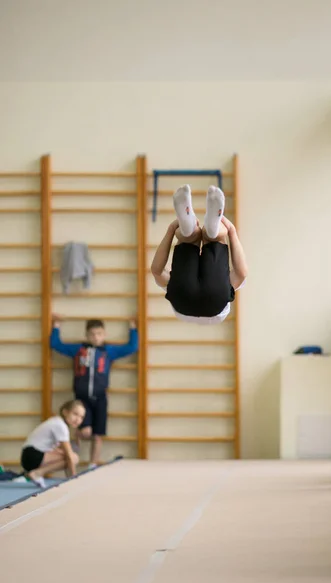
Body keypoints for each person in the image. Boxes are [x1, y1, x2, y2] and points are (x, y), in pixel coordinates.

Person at [151, 184, 247, 324]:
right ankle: (189, 228)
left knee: (215, 239)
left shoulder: (225, 288)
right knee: (188, 240)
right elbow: (156, 271)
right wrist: (171, 230)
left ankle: (211, 229)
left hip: (214, 298)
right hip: (184, 298)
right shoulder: (171, 286)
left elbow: (241, 273)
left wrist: (231, 231)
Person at [50, 316, 139, 467]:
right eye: (92, 334)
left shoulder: (108, 351)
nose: (96, 337)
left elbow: (131, 347)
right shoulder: (78, 350)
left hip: (100, 397)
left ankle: (93, 464)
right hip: (82, 399)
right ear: (86, 335)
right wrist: (56, 326)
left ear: (104, 335)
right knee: (86, 432)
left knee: (97, 435)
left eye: (99, 334)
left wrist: (132, 327)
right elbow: (56, 344)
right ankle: (77, 436)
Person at [20, 399, 85, 488]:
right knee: (74, 458)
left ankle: (31, 474)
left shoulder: (57, 421)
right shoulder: (60, 426)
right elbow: (69, 456)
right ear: (65, 412)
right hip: (32, 456)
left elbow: (64, 453)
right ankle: (37, 473)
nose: (78, 419)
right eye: (75, 414)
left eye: (81, 417)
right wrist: (74, 478)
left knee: (66, 454)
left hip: (29, 455)